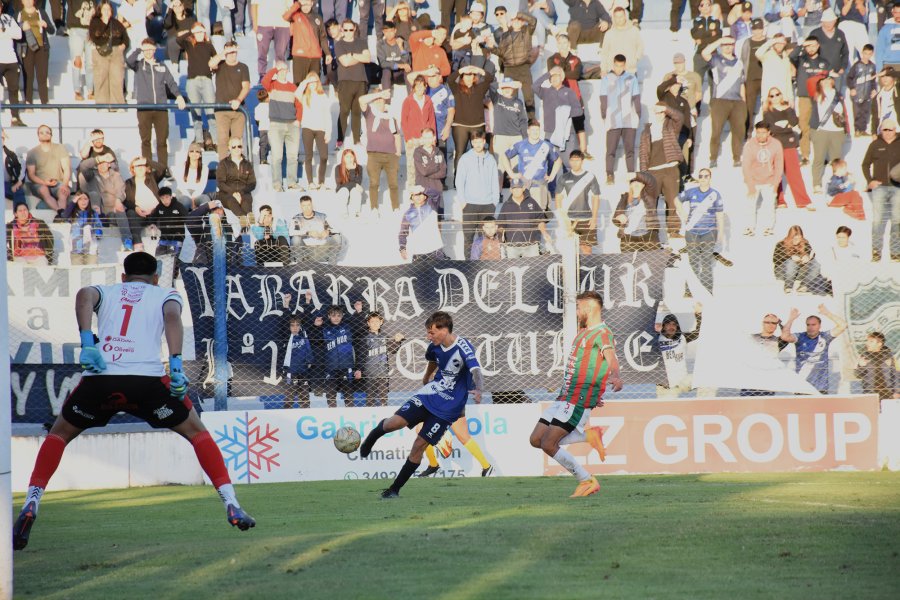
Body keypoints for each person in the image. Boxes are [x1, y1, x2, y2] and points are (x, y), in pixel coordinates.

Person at [12, 251, 255, 551]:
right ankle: (231, 503)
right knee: (198, 433)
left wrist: (88, 343)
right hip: (148, 383)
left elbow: (83, 295)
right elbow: (172, 318)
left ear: (124, 277)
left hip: (102, 379)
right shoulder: (164, 294)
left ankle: (32, 501)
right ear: (156, 278)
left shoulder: (108, 291)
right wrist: (176, 365)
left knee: (59, 434)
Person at [359, 311, 484, 499]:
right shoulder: (434, 346)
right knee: (393, 423)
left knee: (419, 445)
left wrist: (479, 389)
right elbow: (433, 360)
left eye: (431, 332)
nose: (428, 336)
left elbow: (476, 370)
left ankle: (394, 490)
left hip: (448, 409)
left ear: (444, 330)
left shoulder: (463, 347)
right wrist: (426, 377)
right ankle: (372, 437)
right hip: (429, 394)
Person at [529, 290, 623, 498]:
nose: (577, 312)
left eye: (579, 307)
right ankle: (589, 436)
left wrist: (616, 376)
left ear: (590, 308)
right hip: (564, 396)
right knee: (536, 439)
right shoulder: (583, 332)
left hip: (577, 400)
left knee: (548, 444)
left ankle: (586, 480)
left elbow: (610, 357)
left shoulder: (602, 333)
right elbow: (587, 366)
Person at [127, 38, 188, 167]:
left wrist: (178, 96)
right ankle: (147, 167)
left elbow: (171, 82)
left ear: (155, 50)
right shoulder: (138, 65)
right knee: (146, 140)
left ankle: (162, 168)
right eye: (146, 49)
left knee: (162, 141)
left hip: (161, 108)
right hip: (144, 108)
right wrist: (139, 49)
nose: (148, 52)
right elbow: (129, 61)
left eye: (151, 49)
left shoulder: (162, 66)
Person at [761, 86, 813, 209]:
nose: (775, 97)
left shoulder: (788, 109)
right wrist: (786, 126)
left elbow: (794, 122)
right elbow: (771, 128)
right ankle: (780, 200)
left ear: (781, 95)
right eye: (772, 95)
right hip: (775, 144)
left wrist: (788, 111)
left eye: (777, 94)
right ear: (769, 98)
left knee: (794, 173)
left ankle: (803, 201)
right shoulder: (767, 112)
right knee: (776, 173)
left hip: (789, 143)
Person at [638, 103, 684, 238]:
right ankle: (652, 232)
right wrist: (643, 174)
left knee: (672, 201)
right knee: (651, 203)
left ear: (665, 113)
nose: (659, 115)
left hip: (670, 168)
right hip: (653, 171)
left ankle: (674, 231)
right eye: (657, 112)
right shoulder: (646, 131)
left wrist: (666, 108)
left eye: (661, 112)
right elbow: (643, 154)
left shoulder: (671, 126)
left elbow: (680, 117)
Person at [780, 304, 848, 394]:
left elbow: (843, 325)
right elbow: (784, 336)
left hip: (821, 386)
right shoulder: (800, 337)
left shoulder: (825, 336)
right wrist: (791, 319)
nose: (810, 327)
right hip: (802, 385)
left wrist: (827, 313)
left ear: (819, 326)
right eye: (808, 325)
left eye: (813, 325)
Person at [702, 36, 747, 168]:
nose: (728, 46)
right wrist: (719, 41)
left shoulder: (739, 62)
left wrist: (743, 101)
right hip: (720, 100)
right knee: (716, 131)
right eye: (725, 44)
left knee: (739, 131)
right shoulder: (716, 59)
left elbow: (741, 83)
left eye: (730, 44)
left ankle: (737, 158)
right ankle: (713, 158)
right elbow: (705, 53)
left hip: (737, 101)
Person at [679, 168, 725, 294]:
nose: (703, 178)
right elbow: (677, 200)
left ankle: (707, 290)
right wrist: (682, 213)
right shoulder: (691, 192)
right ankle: (689, 290)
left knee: (706, 262)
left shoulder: (715, 194)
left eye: (706, 176)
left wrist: (721, 233)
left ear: (710, 178)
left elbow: (720, 215)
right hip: (692, 232)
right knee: (693, 262)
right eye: (701, 176)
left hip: (709, 232)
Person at [861, 117, 900, 262]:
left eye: (890, 129)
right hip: (880, 188)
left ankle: (895, 252)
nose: (887, 132)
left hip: (897, 187)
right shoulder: (875, 145)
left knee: (897, 220)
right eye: (885, 130)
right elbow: (865, 164)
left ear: (895, 130)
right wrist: (870, 181)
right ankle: (876, 251)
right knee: (877, 221)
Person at [455, 131, 499, 258]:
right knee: (468, 237)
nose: (478, 144)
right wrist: (463, 202)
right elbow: (459, 181)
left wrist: (494, 202)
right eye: (475, 142)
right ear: (471, 143)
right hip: (470, 204)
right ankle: (468, 266)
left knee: (485, 237)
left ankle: (485, 263)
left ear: (484, 142)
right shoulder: (465, 158)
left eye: (480, 141)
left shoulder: (491, 159)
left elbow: (495, 181)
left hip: (487, 205)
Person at [261, 60, 303, 192]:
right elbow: (264, 81)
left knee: (293, 156)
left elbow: (299, 104)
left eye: (285, 69)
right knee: (277, 156)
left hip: (292, 125)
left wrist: (298, 120)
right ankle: (277, 184)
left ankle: (292, 182)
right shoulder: (272, 85)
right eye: (281, 70)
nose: (283, 72)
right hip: (276, 125)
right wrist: (275, 69)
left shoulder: (293, 87)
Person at [502, 120, 562, 211]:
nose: (535, 132)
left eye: (537, 130)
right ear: (528, 131)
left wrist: (552, 176)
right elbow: (504, 156)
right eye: (533, 130)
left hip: (540, 186)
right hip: (524, 186)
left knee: (540, 214)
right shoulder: (520, 145)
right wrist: (511, 174)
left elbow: (558, 160)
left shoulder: (546, 146)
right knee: (523, 213)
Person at [598, 54, 640, 184]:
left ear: (625, 65)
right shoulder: (606, 79)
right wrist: (604, 116)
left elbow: (636, 97)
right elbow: (603, 98)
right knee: (610, 150)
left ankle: (631, 174)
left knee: (630, 150)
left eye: (621, 66)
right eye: (617, 65)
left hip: (629, 119)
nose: (619, 68)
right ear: (613, 64)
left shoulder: (632, 78)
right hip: (613, 120)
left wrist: (638, 114)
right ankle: (609, 174)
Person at [360, 88, 402, 215]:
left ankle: (395, 208)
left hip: (391, 155)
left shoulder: (391, 115)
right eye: (376, 100)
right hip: (374, 154)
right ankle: (374, 208)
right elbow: (361, 100)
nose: (379, 102)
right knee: (374, 183)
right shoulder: (370, 113)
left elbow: (397, 135)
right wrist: (378, 94)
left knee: (393, 184)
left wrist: (398, 152)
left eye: (381, 100)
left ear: (385, 101)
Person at [178, 21, 218, 151]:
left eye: (201, 31)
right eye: (197, 32)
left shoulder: (209, 45)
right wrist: (191, 32)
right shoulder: (189, 44)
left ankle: (216, 141)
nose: (199, 34)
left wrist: (214, 66)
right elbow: (178, 40)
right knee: (196, 113)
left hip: (206, 80)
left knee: (211, 112)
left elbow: (216, 60)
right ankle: (199, 140)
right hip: (192, 81)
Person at [311, 305, 359, 408]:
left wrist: (359, 312)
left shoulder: (348, 327)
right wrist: (316, 327)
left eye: (338, 315)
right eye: (333, 315)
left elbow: (360, 331)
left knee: (348, 393)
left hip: (346, 366)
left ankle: (350, 413)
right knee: (331, 394)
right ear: (329, 316)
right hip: (331, 367)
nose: (336, 318)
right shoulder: (324, 329)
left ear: (342, 316)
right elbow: (315, 341)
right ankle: (332, 413)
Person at [740, 121, 783, 237]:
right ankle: (749, 227)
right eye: (758, 132)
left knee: (769, 205)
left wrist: (775, 184)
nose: (760, 135)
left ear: (768, 132)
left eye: (763, 133)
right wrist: (750, 186)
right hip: (753, 180)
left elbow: (779, 165)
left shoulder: (776, 144)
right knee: (750, 205)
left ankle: (768, 227)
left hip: (769, 181)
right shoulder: (750, 145)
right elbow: (746, 166)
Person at [448, 65, 494, 172]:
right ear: (462, 77)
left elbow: (489, 78)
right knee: (460, 153)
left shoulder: (480, 88)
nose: (468, 77)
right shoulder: (457, 89)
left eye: (471, 75)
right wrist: (461, 70)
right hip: (460, 126)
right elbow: (450, 79)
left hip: (477, 125)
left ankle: (479, 176)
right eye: (466, 75)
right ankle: (458, 179)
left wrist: (478, 70)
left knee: (479, 152)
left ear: (474, 77)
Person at [210, 41, 251, 159]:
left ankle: (236, 166)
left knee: (237, 141)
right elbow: (211, 63)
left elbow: (246, 87)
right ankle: (223, 166)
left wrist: (238, 100)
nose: (232, 54)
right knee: (223, 140)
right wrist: (224, 52)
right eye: (229, 52)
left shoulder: (243, 67)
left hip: (238, 110)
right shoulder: (220, 64)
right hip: (222, 110)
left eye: (234, 52)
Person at [554, 150, 600, 255]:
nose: (574, 163)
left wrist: (594, 218)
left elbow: (595, 197)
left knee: (586, 249)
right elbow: (558, 198)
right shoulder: (563, 178)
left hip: (586, 219)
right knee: (569, 250)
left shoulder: (590, 176)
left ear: (582, 161)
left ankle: (586, 266)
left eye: (577, 160)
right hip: (569, 220)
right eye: (572, 160)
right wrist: (562, 219)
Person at [809, 75, 849, 194]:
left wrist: (846, 130)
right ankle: (816, 184)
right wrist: (824, 73)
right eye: (823, 80)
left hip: (837, 131)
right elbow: (810, 81)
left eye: (828, 79)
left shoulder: (838, 95)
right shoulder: (816, 94)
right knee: (818, 159)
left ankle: (836, 183)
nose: (826, 82)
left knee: (836, 160)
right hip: (821, 131)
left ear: (833, 81)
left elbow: (844, 113)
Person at [334, 19, 371, 147]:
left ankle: (357, 140)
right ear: (342, 30)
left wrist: (352, 55)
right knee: (344, 111)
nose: (348, 32)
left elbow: (367, 58)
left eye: (351, 29)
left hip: (360, 80)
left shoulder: (362, 42)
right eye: (346, 30)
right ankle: (340, 140)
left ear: (355, 29)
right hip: (345, 81)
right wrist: (359, 57)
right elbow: (345, 62)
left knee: (356, 112)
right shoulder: (339, 44)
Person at [655, 303, 703, 398]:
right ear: (663, 326)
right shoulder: (656, 339)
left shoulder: (682, 337)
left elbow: (698, 332)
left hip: (683, 381)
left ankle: (703, 403)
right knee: (666, 405)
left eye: (674, 324)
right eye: (668, 324)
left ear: (677, 327)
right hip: (666, 384)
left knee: (706, 382)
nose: (671, 327)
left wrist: (698, 314)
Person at [356, 311, 404, 407]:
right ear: (368, 323)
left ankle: (384, 413)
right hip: (370, 372)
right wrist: (359, 369)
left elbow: (392, 350)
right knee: (370, 397)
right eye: (372, 321)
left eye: (377, 321)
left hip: (383, 372)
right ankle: (370, 413)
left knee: (383, 397)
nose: (375, 324)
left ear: (381, 322)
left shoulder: (385, 336)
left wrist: (397, 341)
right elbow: (361, 355)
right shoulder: (365, 338)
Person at [24, 124, 71, 216]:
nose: (44, 134)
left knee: (63, 192)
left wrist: (65, 185)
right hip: (39, 184)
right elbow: (31, 175)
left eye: (47, 132)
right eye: (41, 133)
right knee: (44, 190)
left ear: (51, 134)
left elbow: (66, 168)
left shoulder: (60, 148)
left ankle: (61, 216)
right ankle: (60, 212)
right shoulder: (32, 152)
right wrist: (44, 182)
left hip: (58, 182)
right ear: (38, 136)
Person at [88, 0, 128, 107]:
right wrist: (104, 23)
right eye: (104, 9)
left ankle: (117, 105)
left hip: (116, 52)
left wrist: (124, 45)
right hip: (100, 52)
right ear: (100, 10)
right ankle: (102, 105)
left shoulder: (116, 23)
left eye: (108, 9)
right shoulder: (95, 22)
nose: (106, 12)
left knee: (117, 79)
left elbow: (125, 37)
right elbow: (95, 36)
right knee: (101, 79)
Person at [298, 73, 333, 191]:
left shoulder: (323, 96)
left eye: (315, 81)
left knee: (324, 156)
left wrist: (328, 132)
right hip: (307, 128)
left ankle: (321, 182)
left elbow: (327, 115)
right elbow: (296, 94)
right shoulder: (304, 96)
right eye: (310, 82)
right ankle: (310, 182)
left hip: (321, 128)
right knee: (309, 156)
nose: (313, 84)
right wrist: (305, 82)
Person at [497, 180, 551, 257]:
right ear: (510, 190)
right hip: (512, 246)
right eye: (514, 188)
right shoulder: (506, 205)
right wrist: (500, 238)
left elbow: (540, 220)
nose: (516, 190)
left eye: (519, 188)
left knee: (533, 265)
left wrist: (544, 233)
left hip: (531, 245)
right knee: (512, 265)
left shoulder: (532, 202)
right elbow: (501, 224)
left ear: (523, 188)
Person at [17, 0, 55, 107]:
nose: (28, 1)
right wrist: (23, 26)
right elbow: (15, 29)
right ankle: (28, 102)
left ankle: (45, 102)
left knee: (42, 76)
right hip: (26, 48)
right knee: (28, 76)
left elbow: (52, 30)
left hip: (41, 48)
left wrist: (45, 25)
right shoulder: (19, 14)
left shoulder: (41, 12)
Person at [400, 75, 436, 186]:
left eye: (422, 86)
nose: (420, 88)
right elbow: (404, 121)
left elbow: (431, 119)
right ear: (414, 87)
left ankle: (425, 188)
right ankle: (412, 189)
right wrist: (408, 138)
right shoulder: (408, 101)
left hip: (426, 138)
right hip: (413, 138)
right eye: (417, 86)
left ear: (425, 87)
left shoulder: (428, 100)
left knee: (426, 165)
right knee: (412, 165)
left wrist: (433, 137)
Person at [613, 172, 661, 252]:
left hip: (648, 236)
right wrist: (618, 218)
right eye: (633, 181)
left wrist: (635, 175)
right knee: (627, 260)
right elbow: (615, 218)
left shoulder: (650, 195)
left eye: (639, 181)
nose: (636, 183)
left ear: (643, 185)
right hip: (628, 237)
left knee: (655, 259)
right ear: (630, 185)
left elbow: (651, 180)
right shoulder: (624, 198)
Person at [773, 224, 826, 295]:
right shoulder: (781, 244)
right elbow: (775, 259)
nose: (796, 240)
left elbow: (811, 254)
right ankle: (788, 286)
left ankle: (804, 286)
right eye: (794, 238)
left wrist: (807, 257)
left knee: (816, 264)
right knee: (791, 262)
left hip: (798, 273)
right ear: (790, 237)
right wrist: (790, 257)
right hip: (783, 272)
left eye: (799, 238)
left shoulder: (805, 243)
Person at [284, 0, 326, 83]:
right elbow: (286, 16)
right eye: (303, 5)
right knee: (299, 83)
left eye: (307, 4)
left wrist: (327, 53)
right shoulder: (295, 15)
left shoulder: (318, 17)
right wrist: (297, 4)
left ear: (312, 3)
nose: (305, 7)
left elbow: (323, 37)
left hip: (315, 56)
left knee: (314, 84)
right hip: (300, 55)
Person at [399, 185, 445, 261]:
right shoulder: (408, 214)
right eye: (415, 194)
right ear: (411, 197)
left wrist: (423, 189)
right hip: (418, 252)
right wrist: (402, 248)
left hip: (435, 250)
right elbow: (403, 233)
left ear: (425, 196)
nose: (418, 196)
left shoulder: (432, 205)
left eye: (420, 194)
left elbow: (437, 194)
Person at [290, 195, 340, 263]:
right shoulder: (297, 218)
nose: (307, 208)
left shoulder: (322, 216)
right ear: (301, 207)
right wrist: (308, 232)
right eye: (304, 206)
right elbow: (291, 232)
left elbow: (337, 230)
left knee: (337, 237)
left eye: (309, 205)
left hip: (321, 250)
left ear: (312, 205)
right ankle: (300, 265)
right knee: (295, 239)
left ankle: (331, 266)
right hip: (306, 252)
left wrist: (328, 231)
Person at [251, 0, 292, 78]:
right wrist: (255, 24)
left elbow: (290, 7)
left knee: (280, 53)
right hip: (263, 23)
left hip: (282, 24)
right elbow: (254, 5)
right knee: (262, 53)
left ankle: (280, 76)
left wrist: (290, 24)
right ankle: (262, 75)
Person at [216, 137, 256, 217]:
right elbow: (220, 183)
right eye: (234, 147)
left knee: (246, 202)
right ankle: (243, 217)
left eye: (239, 146)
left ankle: (249, 217)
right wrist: (233, 193)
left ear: (242, 148)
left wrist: (241, 193)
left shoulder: (247, 164)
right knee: (231, 201)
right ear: (229, 148)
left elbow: (252, 183)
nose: (237, 149)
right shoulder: (223, 163)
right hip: (227, 193)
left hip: (244, 192)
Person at [66, 0, 96, 102]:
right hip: (76, 29)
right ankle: (77, 90)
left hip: (91, 31)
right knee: (77, 61)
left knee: (90, 62)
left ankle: (90, 90)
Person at [855, 331, 899, 400]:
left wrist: (897, 392)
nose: (867, 343)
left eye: (871, 341)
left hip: (888, 392)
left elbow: (896, 375)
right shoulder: (865, 356)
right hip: (870, 392)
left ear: (879, 344)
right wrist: (861, 366)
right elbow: (858, 375)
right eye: (867, 341)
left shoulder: (889, 356)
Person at [282, 315, 314, 409]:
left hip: (303, 371)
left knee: (304, 397)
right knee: (289, 397)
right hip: (290, 371)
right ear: (289, 327)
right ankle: (287, 414)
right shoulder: (286, 337)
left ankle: (305, 415)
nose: (295, 327)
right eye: (292, 325)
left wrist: (310, 361)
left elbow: (309, 349)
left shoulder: (304, 336)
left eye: (297, 325)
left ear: (300, 326)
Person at [63, 190, 103, 265]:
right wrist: (73, 202)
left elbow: (98, 225)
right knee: (77, 271)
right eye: (80, 199)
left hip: (91, 250)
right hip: (76, 250)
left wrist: (98, 234)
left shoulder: (93, 213)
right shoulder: (72, 213)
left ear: (89, 200)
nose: (83, 201)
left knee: (91, 270)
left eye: (85, 199)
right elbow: (64, 216)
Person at [149, 186, 189, 261]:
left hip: (177, 239)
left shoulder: (178, 206)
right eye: (162, 198)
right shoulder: (159, 207)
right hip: (164, 238)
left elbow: (187, 219)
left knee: (172, 260)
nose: (165, 200)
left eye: (167, 197)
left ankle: (176, 268)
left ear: (171, 196)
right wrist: (152, 225)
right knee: (157, 258)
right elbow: (153, 217)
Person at [847, 44, 878, 137]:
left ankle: (863, 130)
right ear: (862, 53)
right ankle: (857, 130)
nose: (866, 56)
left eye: (869, 54)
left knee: (865, 112)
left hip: (867, 93)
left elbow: (873, 80)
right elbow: (849, 78)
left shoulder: (872, 66)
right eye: (865, 53)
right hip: (857, 93)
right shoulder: (857, 65)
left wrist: (873, 89)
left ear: (872, 54)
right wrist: (852, 88)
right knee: (857, 112)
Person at [0, 11, 24, 126]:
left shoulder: (8, 18)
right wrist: (7, 33)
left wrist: (4, 31)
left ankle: (15, 117)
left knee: (14, 89)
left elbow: (19, 34)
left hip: (11, 59)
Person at [377, 20, 411, 89]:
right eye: (386, 31)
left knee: (408, 70)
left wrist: (401, 47)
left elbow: (407, 61)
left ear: (395, 31)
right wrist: (399, 65)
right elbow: (382, 63)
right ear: (383, 32)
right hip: (387, 74)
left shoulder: (403, 43)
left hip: (401, 74)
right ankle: (386, 95)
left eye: (391, 31)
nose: (389, 34)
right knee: (386, 70)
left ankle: (411, 95)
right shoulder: (380, 44)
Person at [412, 128, 447, 193]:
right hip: (422, 189)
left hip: (437, 188)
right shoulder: (417, 152)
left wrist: (427, 170)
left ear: (434, 138)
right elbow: (424, 172)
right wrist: (437, 167)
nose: (427, 140)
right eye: (425, 138)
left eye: (429, 138)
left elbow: (443, 173)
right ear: (422, 138)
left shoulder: (439, 152)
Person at [334, 147, 365, 218]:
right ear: (343, 158)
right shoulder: (338, 168)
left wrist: (352, 170)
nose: (349, 159)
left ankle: (356, 212)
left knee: (355, 191)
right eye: (347, 157)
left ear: (354, 157)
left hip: (353, 191)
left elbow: (358, 182)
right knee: (344, 190)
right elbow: (340, 185)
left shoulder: (359, 167)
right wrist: (354, 184)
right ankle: (343, 213)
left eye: (351, 157)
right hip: (342, 191)